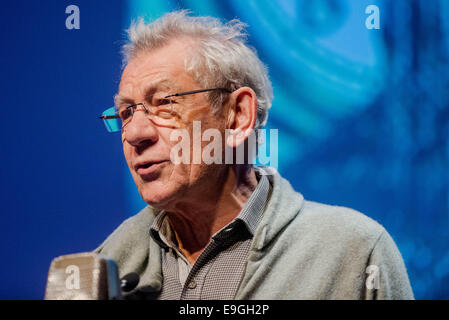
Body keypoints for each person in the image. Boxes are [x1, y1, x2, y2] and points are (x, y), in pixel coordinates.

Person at [95, 10, 414, 300]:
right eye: (125, 113)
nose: (134, 134)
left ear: (237, 115)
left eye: (164, 103)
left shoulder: (354, 253)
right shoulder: (106, 265)